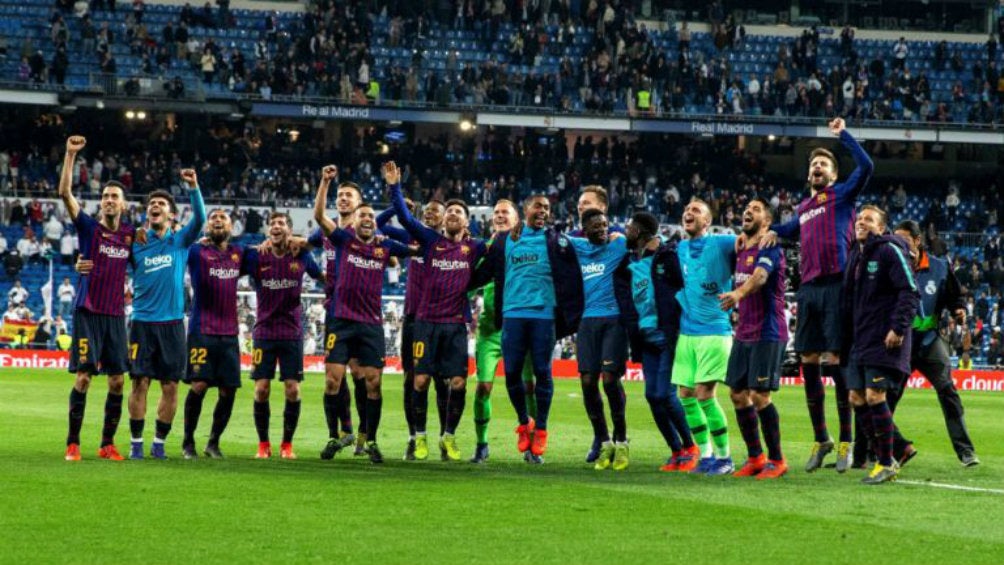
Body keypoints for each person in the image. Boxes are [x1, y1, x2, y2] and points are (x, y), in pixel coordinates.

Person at [768, 117, 874, 472]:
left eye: (824, 164)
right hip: (808, 290)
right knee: (808, 363)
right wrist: (766, 231)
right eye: (813, 164)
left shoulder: (843, 194)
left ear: (833, 174)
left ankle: (847, 439)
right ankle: (822, 437)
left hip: (836, 285)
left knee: (835, 363)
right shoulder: (803, 208)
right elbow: (787, 230)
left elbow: (867, 165)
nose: (817, 167)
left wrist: (842, 135)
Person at [470, 194, 584, 461]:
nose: (543, 211)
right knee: (511, 375)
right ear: (526, 210)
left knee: (543, 374)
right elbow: (482, 272)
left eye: (547, 207)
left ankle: (541, 428)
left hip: (544, 316)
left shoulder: (556, 240)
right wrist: (454, 286)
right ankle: (524, 422)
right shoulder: (505, 240)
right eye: (538, 206)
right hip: (512, 315)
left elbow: (578, 265)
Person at [385, 161, 486, 461]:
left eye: (458, 212)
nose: (453, 214)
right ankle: (419, 438)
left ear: (466, 222)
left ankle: (449, 437)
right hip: (425, 323)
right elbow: (404, 217)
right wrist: (395, 187)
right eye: (450, 211)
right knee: (420, 380)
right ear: (443, 222)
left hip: (455, 325)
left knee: (457, 382)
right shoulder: (430, 241)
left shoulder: (475, 248)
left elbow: (500, 251)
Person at [314, 172, 412, 464]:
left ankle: (369, 439)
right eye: (363, 215)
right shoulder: (343, 240)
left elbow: (417, 248)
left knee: (371, 382)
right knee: (333, 381)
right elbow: (319, 215)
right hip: (340, 319)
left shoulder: (384, 246)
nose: (368, 218)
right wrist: (325, 182)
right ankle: (335, 435)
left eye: (371, 215)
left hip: (370, 324)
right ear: (353, 222)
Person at [115, 169, 205, 460]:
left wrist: (193, 187)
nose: (154, 206)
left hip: (172, 325)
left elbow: (201, 220)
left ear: (172, 215)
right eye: (151, 204)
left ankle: (159, 443)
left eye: (161, 204)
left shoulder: (179, 241)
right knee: (139, 382)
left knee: (170, 385)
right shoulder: (136, 241)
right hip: (141, 322)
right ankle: (136, 443)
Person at [59, 135, 135, 462]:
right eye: (104, 195)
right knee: (85, 376)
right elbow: (64, 193)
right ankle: (73, 443)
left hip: (115, 315)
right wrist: (70, 154)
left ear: (123, 204)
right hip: (88, 311)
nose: (108, 200)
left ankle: (107, 443)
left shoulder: (131, 235)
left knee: (118, 381)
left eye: (114, 196)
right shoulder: (89, 228)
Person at [888, 220, 979, 467]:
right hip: (899, 344)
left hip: (929, 341)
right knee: (886, 397)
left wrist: (959, 309)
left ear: (917, 241)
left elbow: (954, 296)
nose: (899, 244)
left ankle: (966, 451)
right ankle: (880, 450)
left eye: (904, 240)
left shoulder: (940, 267)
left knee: (948, 391)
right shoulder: (891, 264)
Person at [616, 212, 699, 472]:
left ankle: (691, 447)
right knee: (652, 395)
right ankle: (676, 451)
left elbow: (686, 288)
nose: (625, 231)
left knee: (664, 393)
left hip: (667, 336)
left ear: (640, 232)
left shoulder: (668, 256)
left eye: (629, 227)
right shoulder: (630, 263)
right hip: (645, 338)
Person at [842, 205, 919, 485]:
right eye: (860, 218)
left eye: (869, 220)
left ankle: (885, 462)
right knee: (856, 399)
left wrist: (898, 328)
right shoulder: (855, 255)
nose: (862, 222)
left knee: (875, 395)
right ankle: (890, 453)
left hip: (883, 338)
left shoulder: (888, 250)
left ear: (882, 228)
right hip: (860, 340)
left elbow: (910, 290)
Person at [374, 192, 451, 461]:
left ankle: (444, 438)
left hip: (440, 319)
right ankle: (413, 437)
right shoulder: (412, 238)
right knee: (410, 380)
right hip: (413, 318)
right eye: (426, 210)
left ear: (444, 218)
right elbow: (377, 227)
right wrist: (395, 206)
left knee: (442, 381)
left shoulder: (448, 244)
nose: (429, 213)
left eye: (435, 211)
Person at [718, 198, 789, 479]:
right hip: (745, 332)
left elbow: (760, 277)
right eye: (747, 208)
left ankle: (777, 460)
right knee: (737, 393)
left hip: (767, 331)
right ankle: (755, 457)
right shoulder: (741, 248)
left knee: (760, 395)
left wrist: (737, 294)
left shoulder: (769, 247)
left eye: (756, 209)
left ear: (767, 222)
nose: (748, 210)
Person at [245, 212, 323, 460]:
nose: (276, 226)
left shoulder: (300, 254)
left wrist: (301, 240)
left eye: (281, 223)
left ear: (290, 231)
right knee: (261, 389)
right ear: (269, 230)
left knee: (292, 389)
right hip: (264, 332)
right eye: (273, 224)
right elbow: (230, 254)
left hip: (291, 332)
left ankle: (287, 445)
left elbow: (321, 275)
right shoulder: (257, 255)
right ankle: (263, 444)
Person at [468, 199, 537, 464]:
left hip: (522, 326)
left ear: (516, 219)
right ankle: (481, 443)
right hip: (490, 330)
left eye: (504, 212)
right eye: (495, 213)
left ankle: (532, 445)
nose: (498, 216)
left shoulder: (527, 247)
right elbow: (468, 283)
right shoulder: (484, 249)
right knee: (484, 387)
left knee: (529, 386)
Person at [673, 199, 737, 475]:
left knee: (704, 393)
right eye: (687, 210)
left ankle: (725, 458)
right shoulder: (680, 248)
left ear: (708, 222)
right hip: (687, 332)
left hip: (714, 330)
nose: (689, 213)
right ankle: (707, 454)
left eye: (696, 211)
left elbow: (749, 242)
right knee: (685, 393)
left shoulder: (723, 243)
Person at [180, 208, 250, 459]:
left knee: (228, 390)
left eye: (223, 218)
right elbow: (176, 245)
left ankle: (213, 442)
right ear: (206, 227)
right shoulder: (196, 251)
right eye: (213, 219)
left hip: (229, 333)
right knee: (199, 385)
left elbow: (269, 257)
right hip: (202, 330)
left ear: (232, 227)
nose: (218, 221)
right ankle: (188, 442)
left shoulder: (240, 253)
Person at [567, 208, 631, 469]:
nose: (602, 228)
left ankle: (622, 440)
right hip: (587, 320)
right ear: (585, 228)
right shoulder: (577, 246)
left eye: (605, 224)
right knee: (587, 380)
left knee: (609, 379)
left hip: (614, 319)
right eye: (596, 225)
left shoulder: (619, 245)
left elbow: (649, 238)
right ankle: (604, 443)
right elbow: (550, 238)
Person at [306, 171, 363, 457]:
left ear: (360, 203)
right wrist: (318, 278)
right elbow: (302, 248)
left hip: (363, 314)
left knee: (361, 376)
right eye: (340, 195)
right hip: (335, 312)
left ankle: (363, 436)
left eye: (348, 195)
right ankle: (339, 433)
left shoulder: (366, 231)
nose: (342, 199)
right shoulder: (326, 232)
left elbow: (389, 256)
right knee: (334, 377)